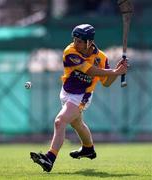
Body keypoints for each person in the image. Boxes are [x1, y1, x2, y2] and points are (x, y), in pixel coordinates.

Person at [30, 24, 128, 172]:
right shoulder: (70, 52)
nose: (76, 43)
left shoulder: (101, 57)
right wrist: (115, 71)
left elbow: (107, 82)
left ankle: (50, 158)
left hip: (82, 96)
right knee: (77, 125)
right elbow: (89, 70)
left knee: (60, 121)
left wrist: (118, 72)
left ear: (89, 42)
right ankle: (88, 149)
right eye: (75, 39)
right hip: (66, 93)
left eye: (79, 41)